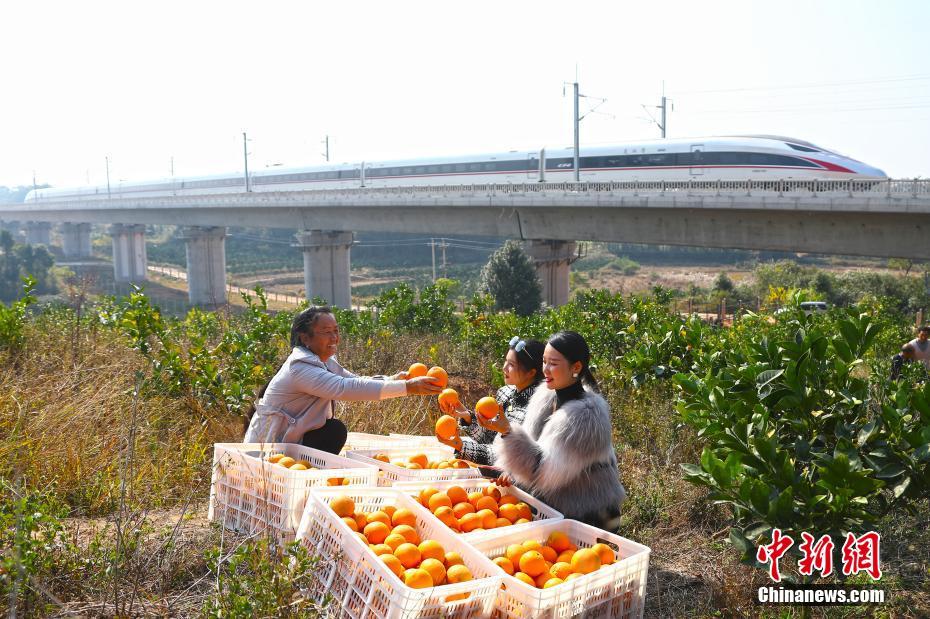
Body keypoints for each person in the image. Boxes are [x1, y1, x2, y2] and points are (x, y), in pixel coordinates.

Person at [478, 330, 627, 532]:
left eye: (553, 364)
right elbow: (533, 448)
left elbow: (542, 471)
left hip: (591, 518)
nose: (545, 370)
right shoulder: (545, 397)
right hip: (558, 508)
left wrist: (508, 432)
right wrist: (511, 472)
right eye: (544, 361)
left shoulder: (585, 418)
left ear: (576, 367)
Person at [243, 305, 442, 453]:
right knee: (334, 431)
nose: (334, 338)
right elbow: (344, 387)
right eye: (326, 332)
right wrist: (406, 387)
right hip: (265, 451)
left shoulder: (324, 362)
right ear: (305, 338)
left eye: (336, 331)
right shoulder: (300, 368)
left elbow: (354, 380)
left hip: (290, 441)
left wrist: (393, 379)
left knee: (332, 430)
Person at [437, 336, 544, 465]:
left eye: (512, 365)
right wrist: (468, 417)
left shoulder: (536, 409)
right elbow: (491, 439)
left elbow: (504, 457)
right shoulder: (506, 393)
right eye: (506, 361)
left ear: (531, 373)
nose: (504, 368)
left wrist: (461, 446)